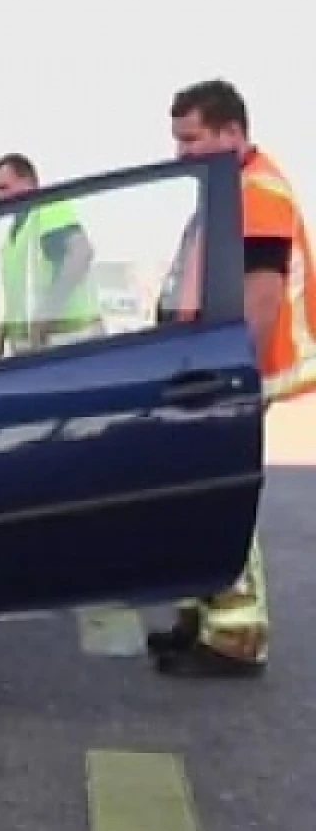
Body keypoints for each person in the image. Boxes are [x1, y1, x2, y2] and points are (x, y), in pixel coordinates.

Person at [145, 79, 316, 678]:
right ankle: (202, 615)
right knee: (196, 493)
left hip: (236, 374)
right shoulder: (227, 192)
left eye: (191, 139)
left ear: (231, 133)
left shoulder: (258, 194)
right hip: (210, 370)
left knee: (221, 496)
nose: (180, 154)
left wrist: (231, 382)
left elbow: (263, 299)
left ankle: (237, 636)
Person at [0, 154, 101, 360]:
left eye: (4, 188)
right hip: (38, 349)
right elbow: (24, 296)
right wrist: (5, 328)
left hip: (69, 340)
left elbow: (80, 253)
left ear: (29, 182)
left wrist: (48, 311)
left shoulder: (47, 210)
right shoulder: (13, 238)